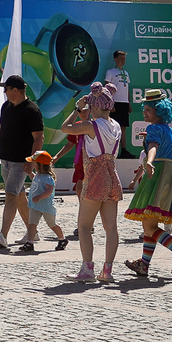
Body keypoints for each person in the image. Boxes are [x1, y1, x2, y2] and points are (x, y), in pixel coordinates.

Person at [122, 94, 172, 279]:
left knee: (149, 226)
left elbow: (153, 146)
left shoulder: (153, 128)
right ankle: (144, 264)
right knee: (150, 224)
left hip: (158, 177)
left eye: (149, 109)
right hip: (170, 176)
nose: (144, 112)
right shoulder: (170, 131)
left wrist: (149, 161)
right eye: (144, 109)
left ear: (160, 111)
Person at [58, 83, 121, 283]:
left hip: (95, 178)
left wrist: (77, 110)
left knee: (84, 226)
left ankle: (87, 269)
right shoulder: (116, 125)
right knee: (111, 228)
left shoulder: (92, 125)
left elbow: (65, 128)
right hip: (112, 177)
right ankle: (107, 271)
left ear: (93, 105)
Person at [0, 76, 43, 252]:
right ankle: (33, 232)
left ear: (15, 90)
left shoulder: (32, 110)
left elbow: (39, 137)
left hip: (20, 162)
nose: (5, 92)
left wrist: (31, 160)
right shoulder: (6, 107)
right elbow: (0, 129)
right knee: (18, 196)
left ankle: (3, 235)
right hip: (5, 158)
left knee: (10, 195)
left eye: (7, 89)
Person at [23, 152, 67, 249]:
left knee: (52, 225)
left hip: (46, 207)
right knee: (31, 224)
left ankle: (62, 239)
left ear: (41, 165)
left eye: (34, 163)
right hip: (35, 206)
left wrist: (39, 197)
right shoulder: (38, 175)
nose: (32, 164)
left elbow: (49, 191)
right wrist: (30, 173)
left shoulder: (48, 178)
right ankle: (30, 243)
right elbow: (35, 180)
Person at [104, 51, 133, 157]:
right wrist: (110, 103)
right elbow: (107, 88)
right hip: (115, 102)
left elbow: (127, 89)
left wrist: (129, 103)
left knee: (123, 127)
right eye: (121, 58)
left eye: (124, 59)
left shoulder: (126, 73)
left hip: (124, 103)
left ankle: (123, 150)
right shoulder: (110, 72)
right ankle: (111, 151)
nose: (123, 61)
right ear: (115, 59)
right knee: (113, 127)